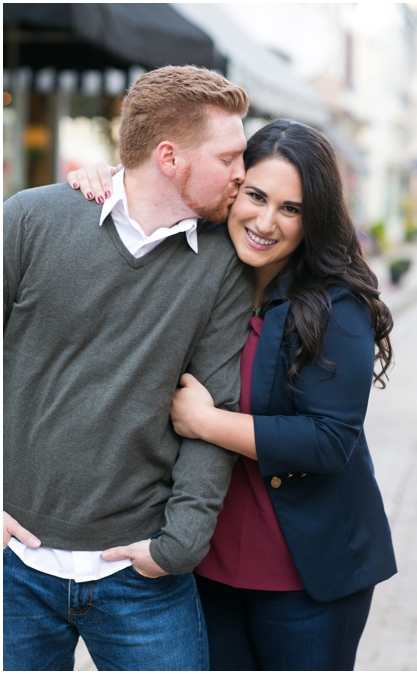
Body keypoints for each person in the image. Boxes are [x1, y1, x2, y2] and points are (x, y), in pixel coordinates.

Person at [68, 119, 397, 671]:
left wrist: (206, 422)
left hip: (306, 574)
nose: (267, 222)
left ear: (313, 217)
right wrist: (106, 181)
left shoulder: (337, 306)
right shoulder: (195, 264)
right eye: (256, 196)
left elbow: (329, 440)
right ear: (232, 189)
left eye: (291, 208)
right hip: (202, 560)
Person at [3, 65, 253, 670]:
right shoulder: (30, 220)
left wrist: (178, 548)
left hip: (142, 577)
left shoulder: (224, 262)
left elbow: (213, 409)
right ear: (170, 157)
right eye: (229, 158)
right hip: (15, 572)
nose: (242, 176)